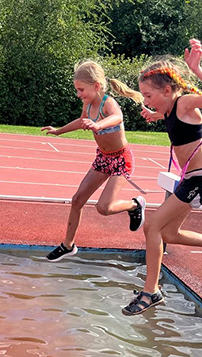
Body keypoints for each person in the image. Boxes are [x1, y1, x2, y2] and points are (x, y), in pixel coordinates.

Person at [122, 38, 202, 316]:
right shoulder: (169, 110)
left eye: (148, 96)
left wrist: (197, 70)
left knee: (152, 226)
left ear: (167, 90)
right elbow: (172, 120)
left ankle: (150, 291)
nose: (146, 100)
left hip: (201, 179)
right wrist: (154, 115)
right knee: (168, 233)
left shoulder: (185, 103)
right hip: (191, 179)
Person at [41, 60, 146, 262]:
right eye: (77, 90)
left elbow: (117, 117)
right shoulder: (88, 105)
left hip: (121, 159)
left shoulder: (108, 103)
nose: (78, 94)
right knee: (77, 199)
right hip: (103, 158)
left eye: (81, 89)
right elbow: (81, 121)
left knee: (103, 208)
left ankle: (134, 205)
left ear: (96, 86)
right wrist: (59, 131)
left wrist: (99, 125)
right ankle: (68, 245)